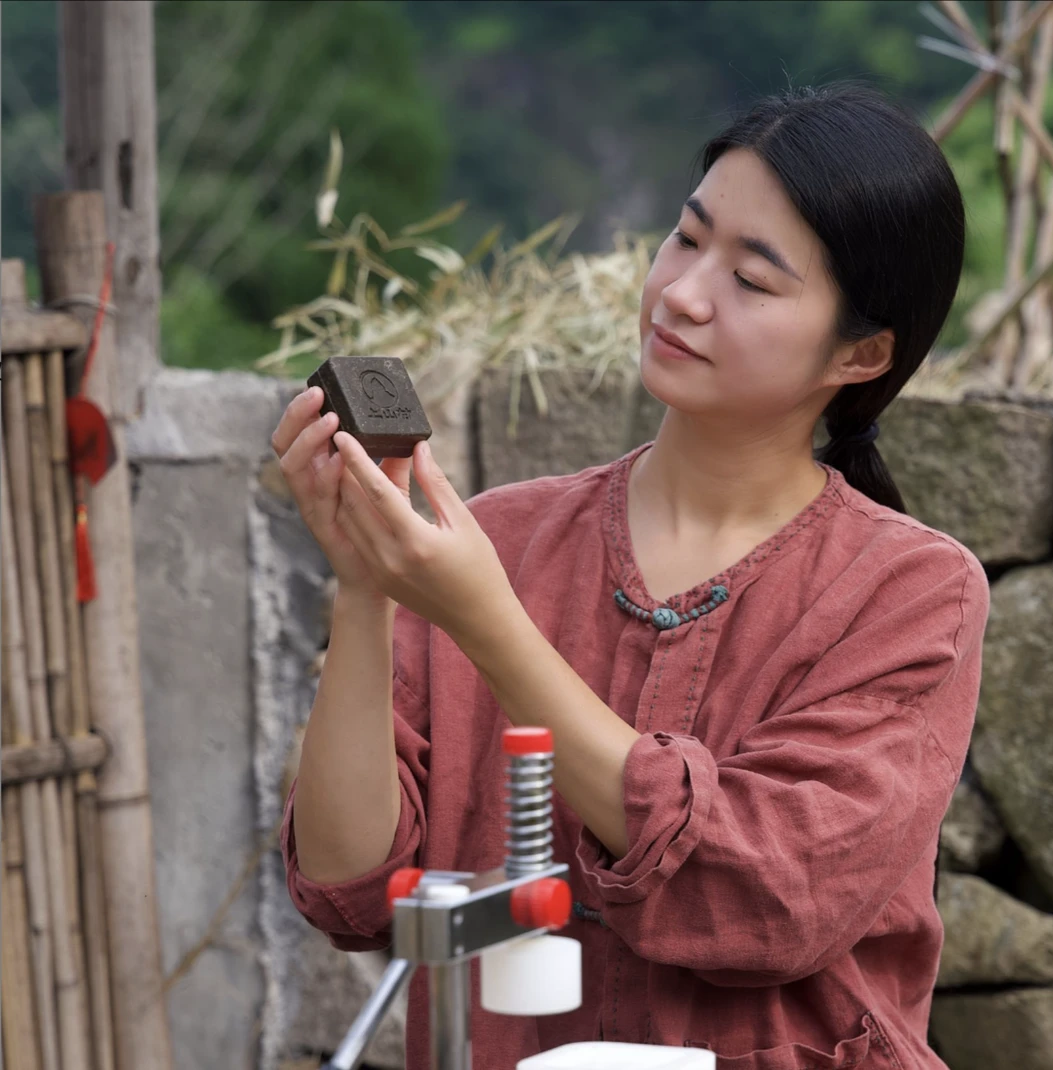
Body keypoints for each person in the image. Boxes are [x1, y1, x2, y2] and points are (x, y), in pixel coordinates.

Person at [274, 84, 988, 1069]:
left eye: (754, 279)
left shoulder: (908, 591)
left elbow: (764, 896)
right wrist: (363, 587)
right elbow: (355, 889)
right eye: (687, 238)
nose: (686, 292)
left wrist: (484, 619)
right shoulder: (505, 536)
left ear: (861, 352)